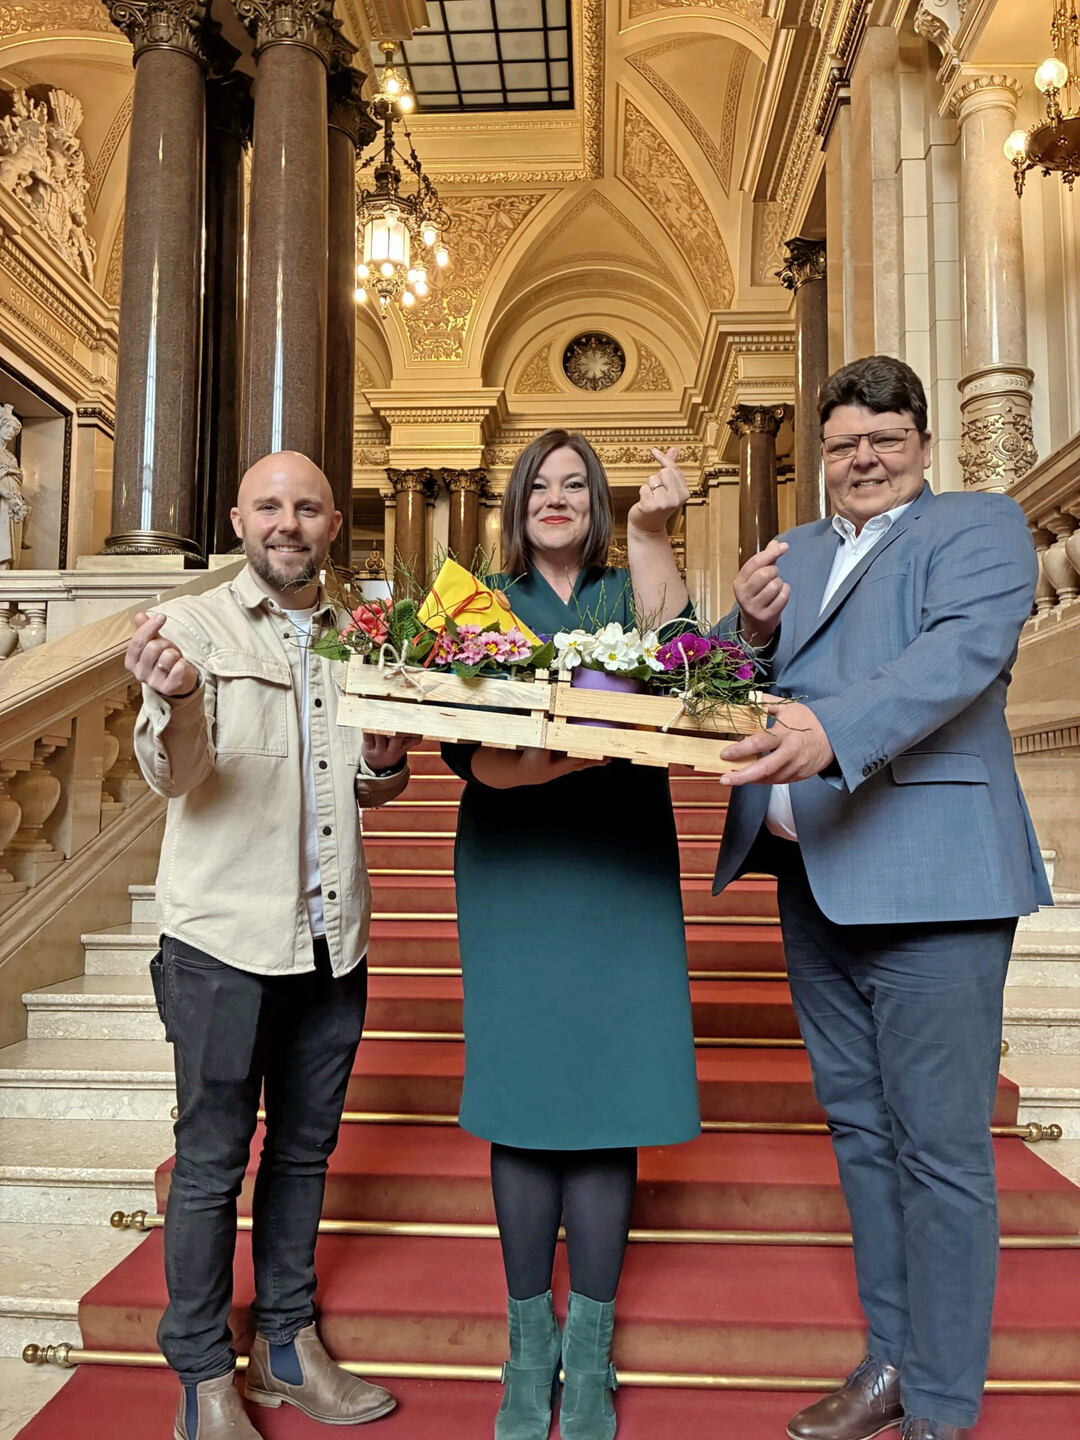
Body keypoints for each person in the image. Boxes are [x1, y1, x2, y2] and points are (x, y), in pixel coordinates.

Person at [712, 356, 1050, 1440]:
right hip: (816, 881)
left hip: (935, 882)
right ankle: (890, 1364)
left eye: (883, 442)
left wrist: (828, 731)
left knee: (940, 1150)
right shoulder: (795, 551)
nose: (862, 460)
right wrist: (746, 633)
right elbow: (715, 681)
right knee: (860, 1133)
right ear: (823, 453)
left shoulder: (979, 526)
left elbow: (959, 657)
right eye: (845, 444)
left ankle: (944, 1409)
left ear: (921, 445)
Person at [127, 451, 419, 1440]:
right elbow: (176, 773)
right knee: (212, 1164)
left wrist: (386, 762)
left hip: (334, 938)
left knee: (302, 1153)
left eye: (307, 507)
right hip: (221, 942)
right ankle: (205, 1375)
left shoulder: (361, 640)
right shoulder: (191, 628)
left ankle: (288, 1344)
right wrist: (177, 699)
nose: (287, 523)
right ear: (240, 520)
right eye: (269, 507)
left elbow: (370, 784)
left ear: (334, 524)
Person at [441, 431, 700, 1440]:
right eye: (539, 485)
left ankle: (588, 1354)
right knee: (523, 1099)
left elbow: (680, 658)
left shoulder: (622, 584)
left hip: (620, 869)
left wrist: (650, 532)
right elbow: (473, 757)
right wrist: (588, 755)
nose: (557, 498)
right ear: (516, 503)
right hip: (515, 870)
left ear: (598, 503)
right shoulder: (471, 602)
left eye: (576, 485)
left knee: (608, 1099)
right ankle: (525, 1346)